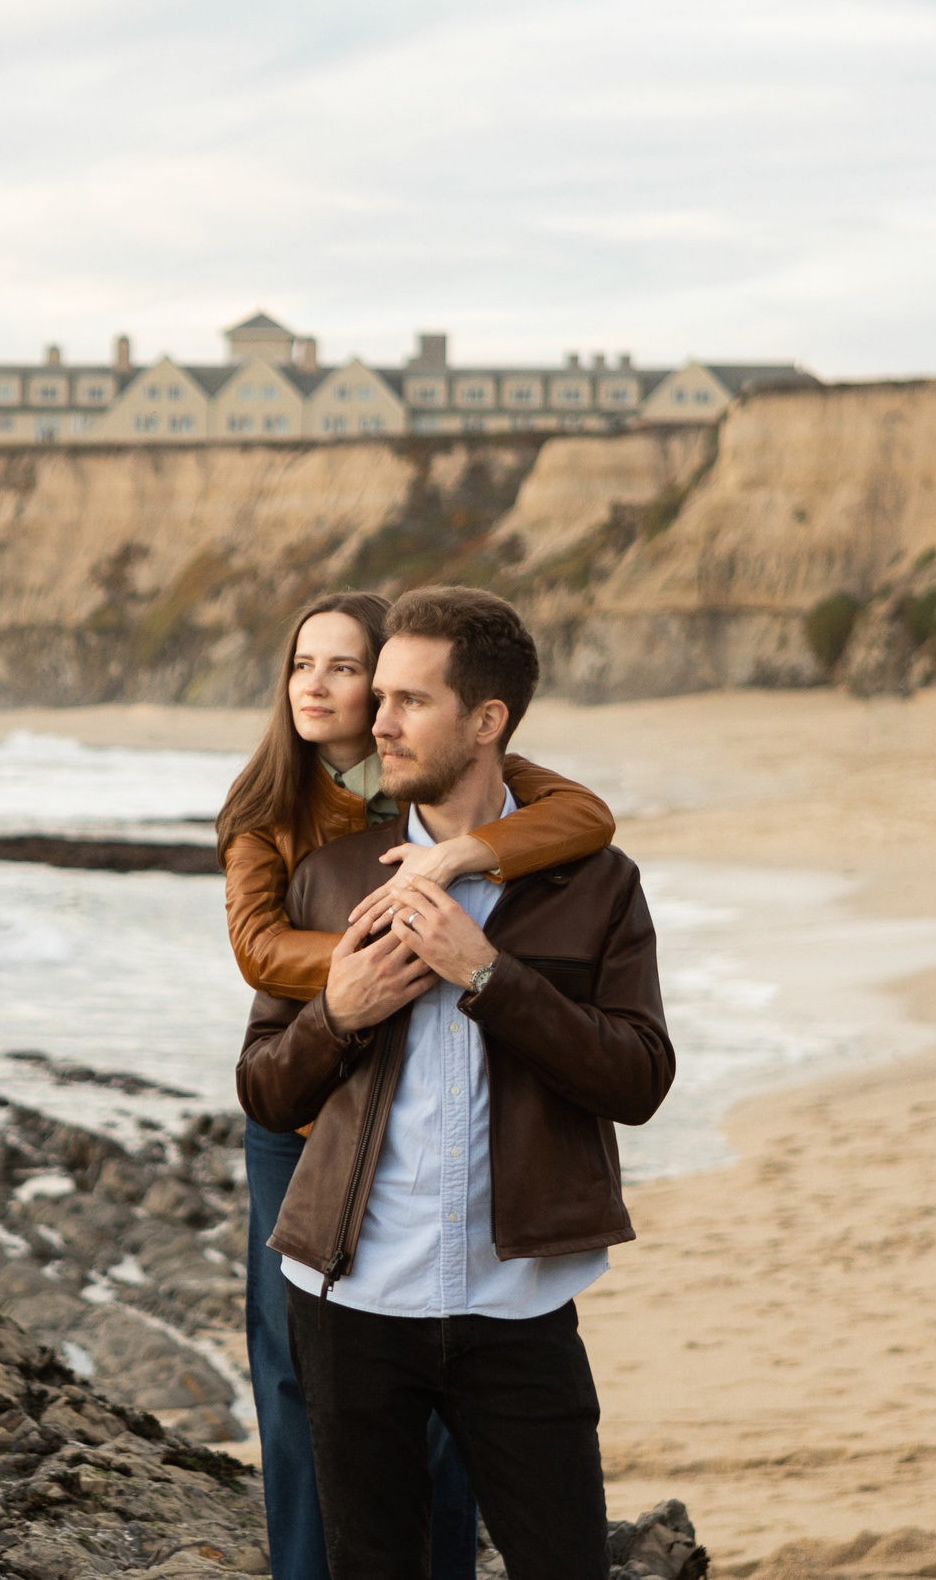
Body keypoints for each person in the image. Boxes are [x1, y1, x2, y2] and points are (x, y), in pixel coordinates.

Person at [237, 586, 673, 1580]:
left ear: (487, 722)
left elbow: (639, 1076)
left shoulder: (595, 884)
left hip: (515, 1305)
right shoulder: (334, 874)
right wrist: (338, 1010)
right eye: (377, 693)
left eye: (408, 700)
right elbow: (263, 1088)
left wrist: (487, 974)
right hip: (350, 1300)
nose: (375, 720)